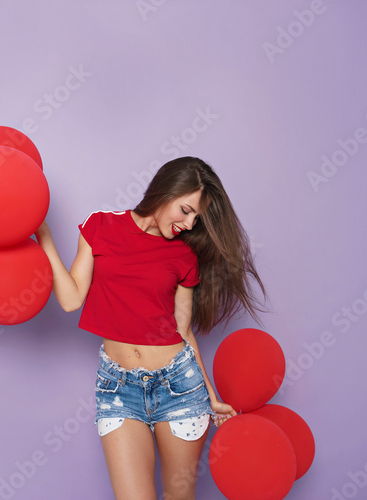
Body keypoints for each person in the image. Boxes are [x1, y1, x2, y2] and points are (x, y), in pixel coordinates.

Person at [35, 156, 266, 500]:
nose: (189, 224)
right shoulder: (101, 226)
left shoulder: (184, 256)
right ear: (166, 190)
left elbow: (183, 330)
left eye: (197, 218)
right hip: (117, 389)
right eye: (185, 210)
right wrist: (44, 236)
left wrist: (212, 397)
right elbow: (70, 299)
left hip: (179, 389)